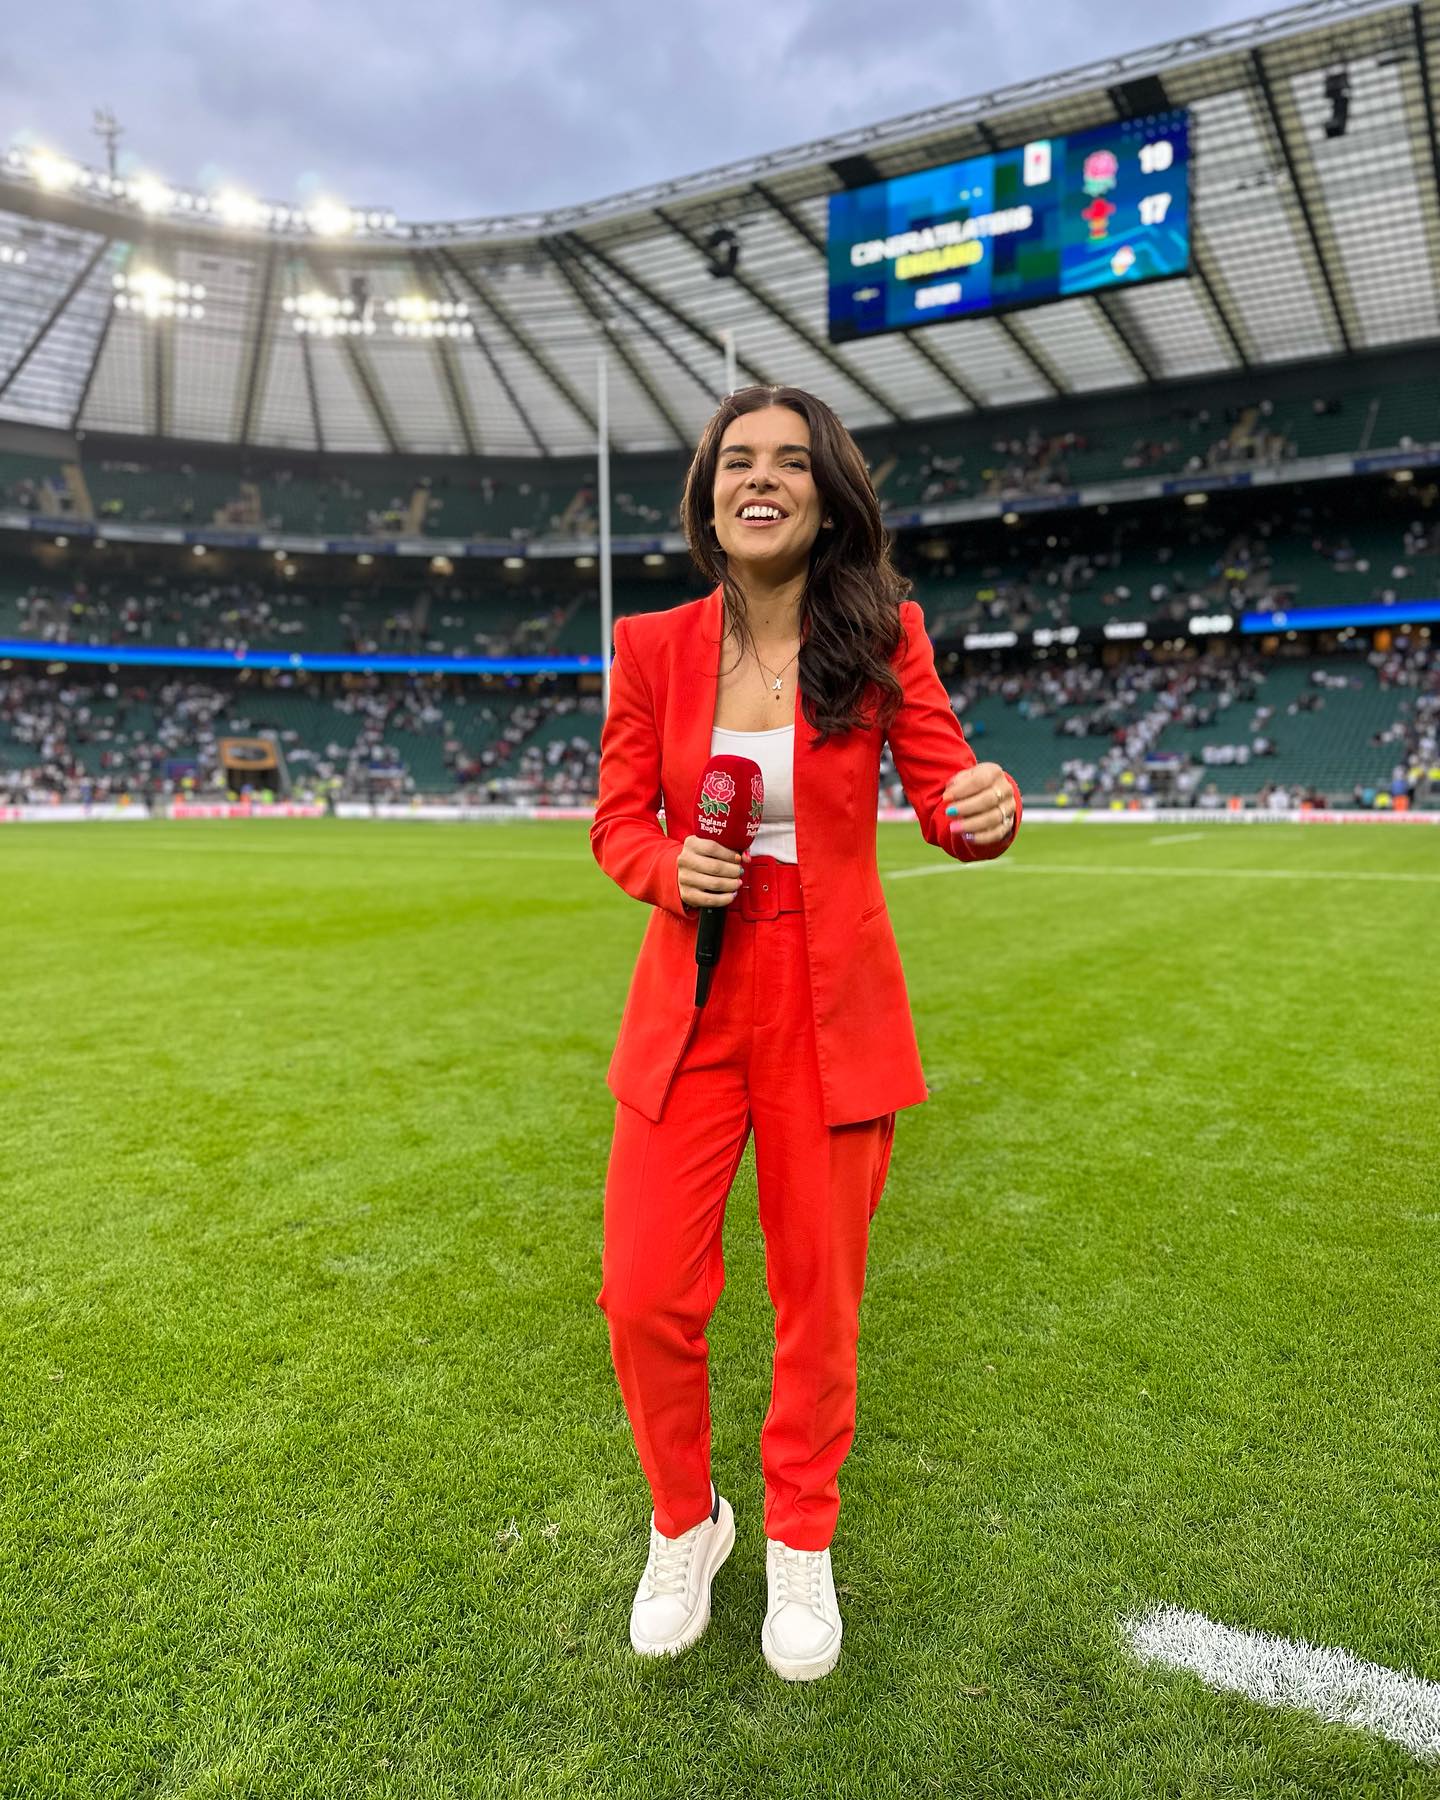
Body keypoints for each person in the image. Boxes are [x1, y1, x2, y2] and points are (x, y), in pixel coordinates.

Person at [589, 384, 1022, 1683]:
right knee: (644, 1291)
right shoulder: (652, 644)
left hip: (831, 1006)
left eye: (790, 462)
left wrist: (982, 806)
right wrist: (672, 870)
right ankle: (689, 1524)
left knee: (815, 1304)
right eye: (738, 461)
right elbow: (616, 820)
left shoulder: (883, 632)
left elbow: (948, 794)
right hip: (693, 996)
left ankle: (800, 1542)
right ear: (710, 491)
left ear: (828, 496)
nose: (760, 478)